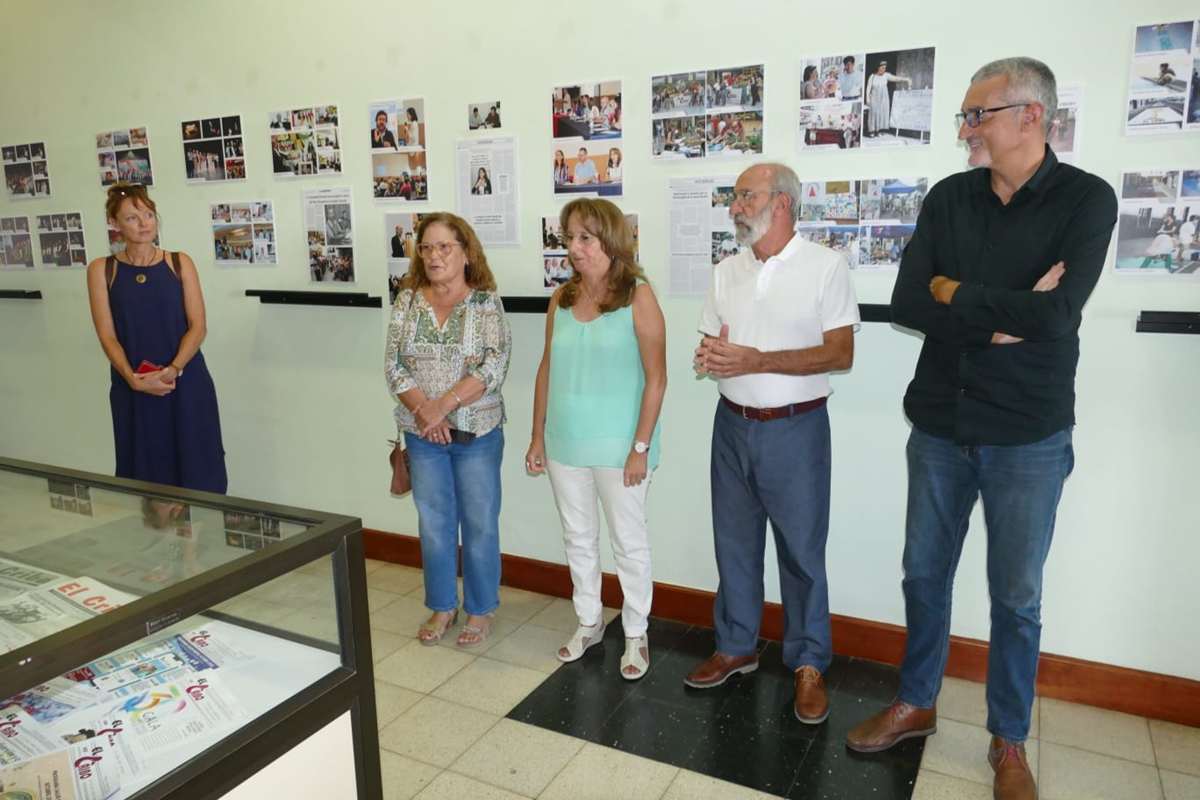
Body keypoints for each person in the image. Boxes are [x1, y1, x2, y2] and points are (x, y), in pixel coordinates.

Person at [844, 57, 1117, 800]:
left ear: (1031, 116)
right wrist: (998, 318)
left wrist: (958, 292)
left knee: (1016, 597)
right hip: (939, 422)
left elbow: (1057, 315)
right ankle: (916, 701)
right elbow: (907, 302)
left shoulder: (1085, 201)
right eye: (967, 114)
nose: (965, 127)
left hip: (1028, 435)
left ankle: (1009, 740)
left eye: (977, 114)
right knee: (924, 574)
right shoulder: (950, 198)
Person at [688, 163, 859, 727]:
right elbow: (715, 345)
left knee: (802, 554)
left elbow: (840, 354)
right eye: (736, 197)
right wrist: (711, 358)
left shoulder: (825, 266)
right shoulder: (726, 271)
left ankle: (808, 663)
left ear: (781, 203)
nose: (735, 206)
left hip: (796, 428)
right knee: (733, 544)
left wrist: (758, 360)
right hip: (731, 424)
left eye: (746, 196)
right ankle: (736, 646)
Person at [525, 198, 666, 680]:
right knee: (578, 537)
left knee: (628, 542)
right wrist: (537, 435)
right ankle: (588, 622)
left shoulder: (638, 296)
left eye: (585, 237)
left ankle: (635, 632)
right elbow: (547, 367)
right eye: (569, 237)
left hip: (619, 448)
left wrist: (640, 447)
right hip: (565, 442)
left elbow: (657, 379)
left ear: (611, 241)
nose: (574, 247)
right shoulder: (561, 298)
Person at [384, 212, 512, 648]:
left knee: (479, 524)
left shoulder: (486, 305)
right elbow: (394, 365)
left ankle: (480, 610)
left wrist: (443, 407)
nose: (434, 256)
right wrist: (425, 413)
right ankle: (443, 605)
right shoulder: (407, 302)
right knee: (435, 524)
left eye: (444, 247)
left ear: (466, 252)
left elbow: (493, 366)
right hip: (422, 436)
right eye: (426, 248)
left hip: (477, 434)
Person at [85, 183, 227, 494]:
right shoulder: (102, 270)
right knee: (145, 472)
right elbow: (107, 335)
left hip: (185, 382)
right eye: (132, 218)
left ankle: (199, 542)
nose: (144, 223)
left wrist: (173, 369)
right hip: (133, 386)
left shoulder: (179, 262)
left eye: (148, 214)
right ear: (115, 224)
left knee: (198, 467)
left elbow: (198, 326)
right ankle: (153, 540)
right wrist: (133, 379)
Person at [865, 60, 912, 136]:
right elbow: (868, 87)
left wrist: (906, 79)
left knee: (882, 113)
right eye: (882, 67)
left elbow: (896, 78)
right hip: (874, 97)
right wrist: (867, 98)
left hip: (884, 97)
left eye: (885, 68)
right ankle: (872, 131)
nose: (884, 69)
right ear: (878, 67)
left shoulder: (886, 75)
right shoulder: (872, 76)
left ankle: (878, 130)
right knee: (874, 113)